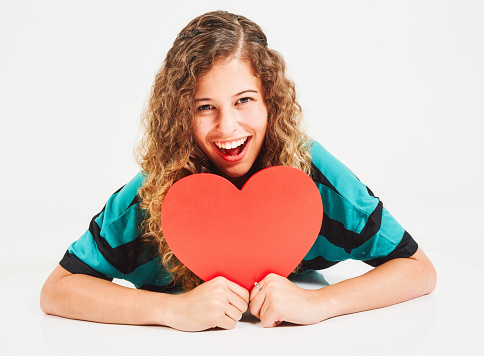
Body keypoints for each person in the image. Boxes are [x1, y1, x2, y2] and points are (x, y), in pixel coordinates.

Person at [40, 10, 436, 332]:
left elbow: (418, 270)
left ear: (270, 103)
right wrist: (172, 312)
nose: (228, 127)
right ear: (180, 118)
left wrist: (320, 301)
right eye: (204, 106)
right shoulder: (153, 195)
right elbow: (57, 290)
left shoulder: (314, 173)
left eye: (244, 100)